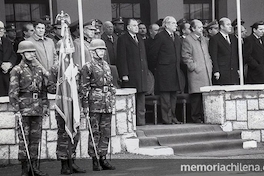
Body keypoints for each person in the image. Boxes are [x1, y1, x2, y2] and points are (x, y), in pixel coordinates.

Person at [9, 40, 49, 176]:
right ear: (22, 53)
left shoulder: (39, 69)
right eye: (29, 52)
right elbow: (13, 92)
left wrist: (45, 106)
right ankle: (25, 169)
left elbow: (43, 90)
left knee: (35, 139)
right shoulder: (17, 70)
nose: (32, 54)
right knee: (24, 140)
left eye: (33, 52)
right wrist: (16, 110)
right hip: (24, 108)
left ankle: (34, 167)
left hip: (37, 108)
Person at [80, 39, 116, 171]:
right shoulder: (87, 67)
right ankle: (95, 159)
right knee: (95, 131)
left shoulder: (106, 65)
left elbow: (110, 83)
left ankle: (103, 157)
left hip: (106, 102)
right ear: (93, 51)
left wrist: (112, 94)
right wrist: (85, 105)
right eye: (99, 50)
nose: (101, 52)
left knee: (105, 131)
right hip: (94, 102)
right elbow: (84, 88)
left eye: (102, 50)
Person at [47, 61, 86, 175]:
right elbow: (50, 87)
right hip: (63, 106)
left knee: (75, 133)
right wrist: (64, 83)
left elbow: (79, 86)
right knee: (63, 135)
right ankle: (64, 164)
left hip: (74, 106)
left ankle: (72, 161)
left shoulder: (74, 68)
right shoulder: (55, 69)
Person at [149, 16, 184, 124]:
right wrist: (157, 67)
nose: (175, 25)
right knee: (165, 97)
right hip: (164, 71)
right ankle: (166, 118)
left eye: (175, 23)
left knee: (173, 96)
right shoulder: (160, 36)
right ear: (166, 24)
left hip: (175, 71)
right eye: (173, 23)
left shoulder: (176, 37)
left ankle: (173, 117)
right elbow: (153, 53)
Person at [116, 19, 148, 126]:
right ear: (128, 27)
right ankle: (131, 122)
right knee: (131, 98)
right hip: (131, 73)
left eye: (137, 25)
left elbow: (143, 57)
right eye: (134, 25)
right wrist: (124, 74)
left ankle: (141, 121)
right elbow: (121, 57)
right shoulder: (123, 39)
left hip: (141, 72)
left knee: (141, 97)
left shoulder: (140, 38)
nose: (136, 27)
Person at [181, 19, 213, 123]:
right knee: (196, 96)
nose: (201, 29)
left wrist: (210, 64)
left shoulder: (204, 39)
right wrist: (193, 66)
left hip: (206, 70)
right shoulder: (188, 40)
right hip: (196, 72)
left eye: (202, 27)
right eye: (199, 27)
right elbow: (186, 56)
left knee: (204, 95)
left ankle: (203, 116)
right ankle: (196, 117)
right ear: (193, 28)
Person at [209, 17, 239, 85]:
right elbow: (214, 56)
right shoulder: (215, 39)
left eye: (230, 24)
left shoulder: (233, 38)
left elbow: (235, 54)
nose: (230, 26)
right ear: (222, 26)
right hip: (222, 71)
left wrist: (238, 68)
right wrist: (216, 70)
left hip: (233, 70)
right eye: (228, 24)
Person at [0, 21, 17, 96]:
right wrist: (1, 65)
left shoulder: (7, 41)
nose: (1, 30)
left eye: (2, 28)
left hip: (7, 77)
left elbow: (13, 55)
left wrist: (10, 64)